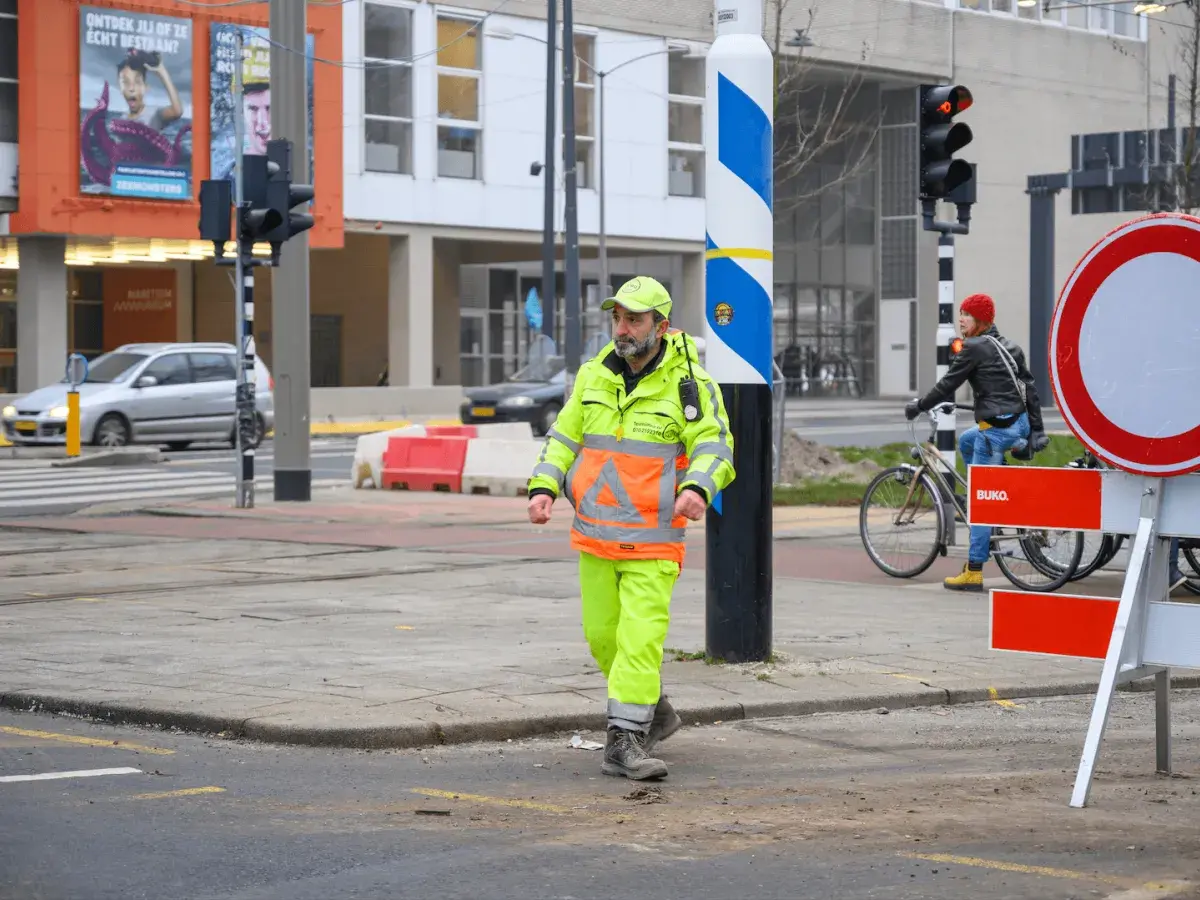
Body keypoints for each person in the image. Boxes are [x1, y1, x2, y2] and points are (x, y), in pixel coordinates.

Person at [526, 276, 735, 781]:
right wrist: (543, 487)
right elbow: (564, 437)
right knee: (604, 638)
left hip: (654, 540)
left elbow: (716, 444)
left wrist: (698, 488)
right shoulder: (592, 376)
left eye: (634, 319)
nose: (623, 328)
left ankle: (624, 741)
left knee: (640, 640)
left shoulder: (690, 385)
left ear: (661, 326)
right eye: (618, 318)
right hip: (595, 534)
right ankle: (656, 712)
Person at [905, 293, 1049, 592]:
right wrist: (1036, 430)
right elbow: (1030, 389)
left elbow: (948, 385)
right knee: (968, 440)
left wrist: (920, 405)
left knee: (980, 501)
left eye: (967, 316)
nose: (961, 320)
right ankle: (992, 486)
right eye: (960, 314)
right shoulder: (1009, 346)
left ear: (981, 320)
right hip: (1018, 423)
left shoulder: (973, 347)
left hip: (997, 431)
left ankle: (973, 570)